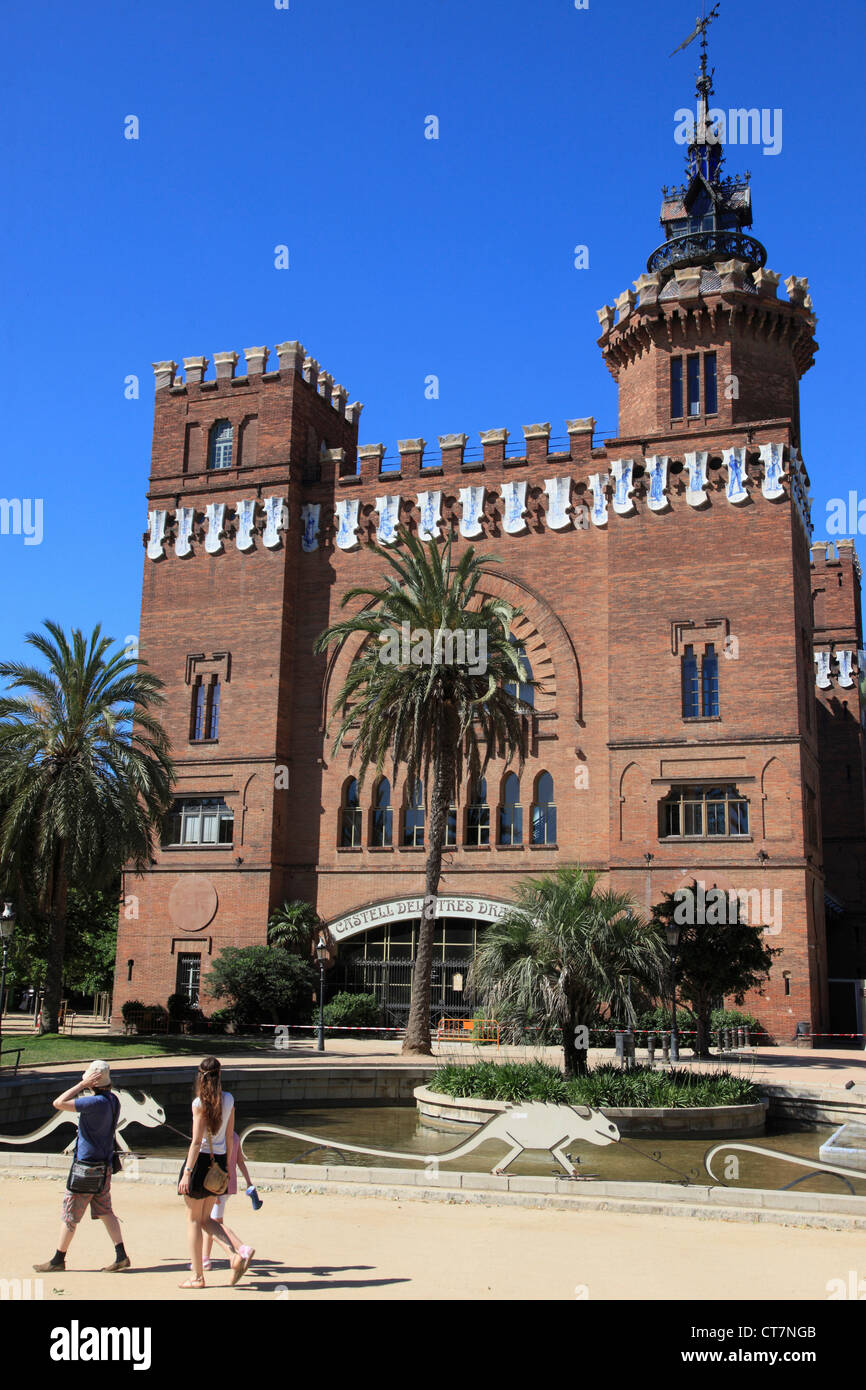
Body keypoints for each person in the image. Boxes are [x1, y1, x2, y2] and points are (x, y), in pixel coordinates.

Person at [33, 1060, 129, 1274]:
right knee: (106, 1211)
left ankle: (58, 1259)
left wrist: (81, 1085)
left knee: (70, 1214)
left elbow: (58, 1103)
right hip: (104, 1166)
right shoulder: (113, 1100)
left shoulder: (93, 1104)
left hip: (86, 1167)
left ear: (92, 1081)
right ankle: (121, 1255)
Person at [177, 1056, 254, 1289]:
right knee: (206, 1219)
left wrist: (187, 1173)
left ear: (200, 1077)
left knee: (193, 1220)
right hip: (219, 1161)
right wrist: (228, 1167)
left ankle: (198, 1276)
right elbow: (231, 1136)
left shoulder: (199, 1104)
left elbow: (196, 1142)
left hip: (200, 1163)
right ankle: (233, 1255)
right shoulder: (229, 1099)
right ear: (220, 1076)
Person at [196, 1131, 256, 1272]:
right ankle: (205, 1259)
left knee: (214, 1223)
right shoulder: (234, 1136)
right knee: (210, 1221)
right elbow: (240, 1161)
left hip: (217, 1185)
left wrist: (215, 1193)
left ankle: (242, 1248)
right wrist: (248, 1182)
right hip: (228, 1185)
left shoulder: (219, 1137)